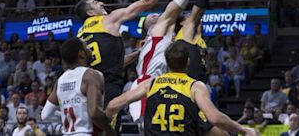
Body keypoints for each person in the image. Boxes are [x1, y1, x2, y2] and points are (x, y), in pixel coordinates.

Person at [76, 0, 198, 131]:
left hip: (88, 88)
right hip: (108, 87)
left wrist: (136, 55)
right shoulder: (107, 20)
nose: (101, 3)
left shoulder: (81, 34)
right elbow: (147, 1)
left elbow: (107, 63)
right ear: (90, 12)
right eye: (95, 3)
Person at [106, 41, 258, 136]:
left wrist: (105, 128)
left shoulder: (151, 84)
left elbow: (113, 105)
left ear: (167, 62)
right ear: (188, 62)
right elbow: (215, 118)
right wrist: (244, 130)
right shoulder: (195, 86)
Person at [41, 37, 115, 136]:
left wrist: (65, 115)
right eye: (87, 46)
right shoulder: (91, 75)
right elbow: (95, 113)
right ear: (81, 53)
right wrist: (110, 131)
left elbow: (45, 115)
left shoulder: (60, 80)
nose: (90, 48)